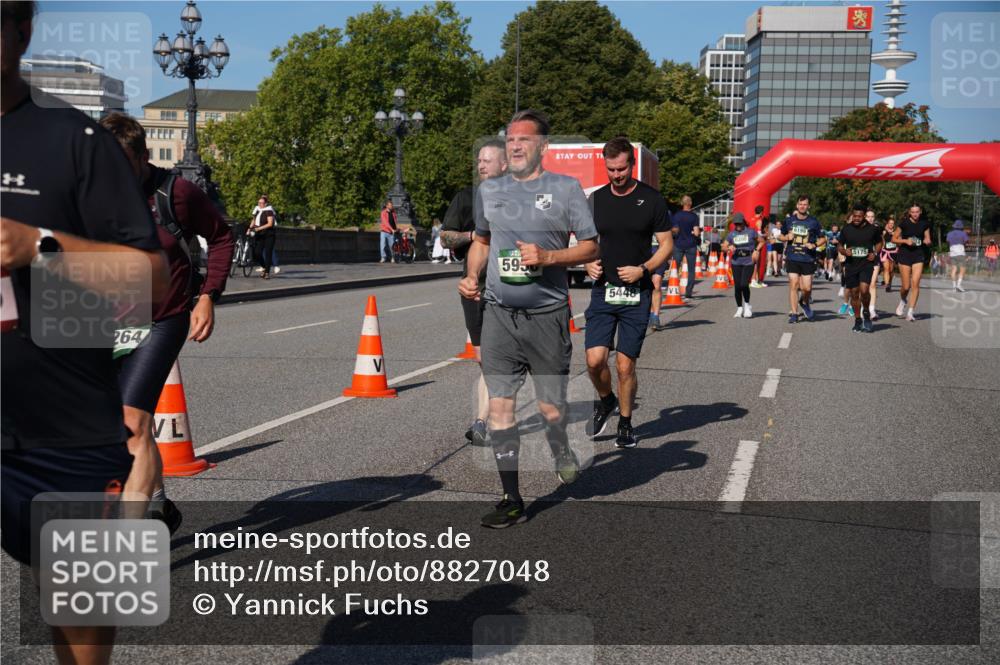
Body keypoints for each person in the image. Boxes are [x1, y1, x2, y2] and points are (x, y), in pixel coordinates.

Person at [1, 3, 169, 661]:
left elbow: (151, 280)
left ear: (21, 32)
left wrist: (40, 245)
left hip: (65, 427)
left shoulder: (75, 141)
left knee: (79, 611)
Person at [458, 109, 599, 528]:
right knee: (501, 407)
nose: (515, 145)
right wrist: (471, 275)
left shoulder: (567, 189)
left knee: (552, 410)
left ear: (543, 147)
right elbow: (482, 242)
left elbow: (591, 248)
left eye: (524, 139)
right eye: (510, 140)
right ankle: (512, 498)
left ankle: (560, 449)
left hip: (548, 315)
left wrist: (551, 257)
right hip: (500, 314)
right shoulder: (491, 191)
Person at [100, 112, 234, 533]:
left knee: (132, 421)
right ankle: (159, 504)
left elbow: (221, 236)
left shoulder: (175, 193)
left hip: (161, 319)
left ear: (142, 158)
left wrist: (208, 296)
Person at [582, 137, 672, 448]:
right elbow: (584, 242)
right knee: (594, 361)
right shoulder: (594, 200)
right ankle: (606, 400)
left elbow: (667, 245)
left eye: (622, 169)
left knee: (624, 365)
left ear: (632, 165)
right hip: (603, 291)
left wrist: (644, 269)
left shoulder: (652, 199)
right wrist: (587, 263)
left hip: (637, 293)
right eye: (611, 170)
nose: (617, 175)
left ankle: (625, 421)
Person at [440, 139, 508, 446]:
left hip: (508, 290)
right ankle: (490, 417)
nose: (480, 165)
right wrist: (474, 235)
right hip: (473, 288)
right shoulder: (467, 198)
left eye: (488, 160)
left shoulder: (518, 198)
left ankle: (485, 420)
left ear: (504, 164)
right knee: (485, 359)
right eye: (479, 160)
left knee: (498, 360)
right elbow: (445, 237)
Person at [781, 195, 825, 323]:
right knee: (794, 284)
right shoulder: (789, 221)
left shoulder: (813, 221)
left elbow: (823, 238)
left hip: (808, 258)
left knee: (807, 288)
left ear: (808, 206)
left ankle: (804, 302)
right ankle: (794, 313)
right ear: (797, 205)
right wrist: (786, 238)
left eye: (805, 204)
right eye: (800, 204)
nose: (802, 206)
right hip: (793, 257)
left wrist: (814, 245)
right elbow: (780, 236)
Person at [838, 205, 882, 333]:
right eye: (855, 216)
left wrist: (875, 253)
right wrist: (844, 251)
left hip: (866, 264)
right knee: (854, 293)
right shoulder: (846, 229)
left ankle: (866, 312)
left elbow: (879, 243)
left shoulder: (872, 229)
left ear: (864, 216)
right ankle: (858, 320)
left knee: (864, 289)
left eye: (859, 216)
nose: (856, 219)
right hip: (851, 265)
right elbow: (840, 245)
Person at [721, 212, 765, 318]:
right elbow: (723, 246)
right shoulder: (732, 234)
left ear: (743, 222)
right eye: (736, 224)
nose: (738, 226)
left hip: (748, 261)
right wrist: (728, 247)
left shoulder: (751, 232)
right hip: (736, 261)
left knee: (744, 284)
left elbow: (762, 241)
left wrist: (756, 250)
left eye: (739, 224)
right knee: (737, 286)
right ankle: (739, 308)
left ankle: (747, 305)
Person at [892, 203, 931, 321]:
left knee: (915, 283)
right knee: (906, 286)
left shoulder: (925, 224)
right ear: (909, 212)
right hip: (905, 255)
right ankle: (903, 300)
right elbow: (894, 239)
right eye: (913, 212)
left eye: (917, 212)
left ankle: (910, 312)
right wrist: (905, 241)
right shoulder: (904, 223)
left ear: (920, 212)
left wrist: (927, 240)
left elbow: (927, 238)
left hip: (918, 255)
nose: (915, 214)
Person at [670, 195, 699, 300]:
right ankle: (688, 292)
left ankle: (673, 289)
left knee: (675, 268)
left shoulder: (676, 216)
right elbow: (696, 233)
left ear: (682, 203)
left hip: (678, 244)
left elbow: (674, 230)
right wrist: (697, 231)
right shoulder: (694, 216)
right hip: (691, 244)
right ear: (690, 203)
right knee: (691, 269)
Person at [248, 195, 276, 278]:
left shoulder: (269, 211)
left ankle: (267, 272)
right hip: (259, 234)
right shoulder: (257, 210)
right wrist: (249, 229)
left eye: (262, 203)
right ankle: (264, 267)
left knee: (268, 253)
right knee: (257, 252)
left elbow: (270, 223)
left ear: (266, 204)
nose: (260, 204)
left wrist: (259, 228)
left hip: (269, 234)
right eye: (259, 202)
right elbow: (253, 220)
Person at [865, 209, 881, 319]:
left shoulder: (877, 229)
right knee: (863, 286)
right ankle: (863, 307)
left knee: (872, 284)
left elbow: (881, 242)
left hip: (874, 259)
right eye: (868, 216)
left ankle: (872, 310)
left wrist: (875, 252)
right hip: (860, 260)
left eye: (872, 216)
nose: (870, 218)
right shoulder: (859, 229)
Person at [947, 220, 971, 292]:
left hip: (952, 253)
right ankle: (959, 285)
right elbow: (966, 242)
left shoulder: (949, 234)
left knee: (954, 269)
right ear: (961, 227)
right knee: (962, 269)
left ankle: (954, 286)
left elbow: (948, 241)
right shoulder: (963, 233)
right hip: (960, 253)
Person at [750, 204, 768, 287]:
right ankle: (754, 280)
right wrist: (767, 235)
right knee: (756, 261)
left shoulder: (751, 219)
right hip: (756, 242)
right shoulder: (759, 220)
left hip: (751, 241)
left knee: (756, 261)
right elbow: (759, 233)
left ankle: (757, 280)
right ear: (761, 212)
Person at [880, 216, 899, 291]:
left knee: (891, 270)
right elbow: (881, 240)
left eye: (892, 223)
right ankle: (887, 284)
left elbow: (899, 241)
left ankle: (889, 283)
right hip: (885, 252)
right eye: (890, 223)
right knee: (886, 268)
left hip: (894, 253)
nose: (891, 224)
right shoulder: (884, 232)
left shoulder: (897, 232)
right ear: (887, 224)